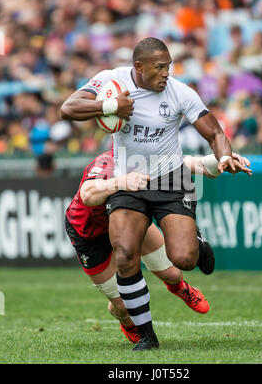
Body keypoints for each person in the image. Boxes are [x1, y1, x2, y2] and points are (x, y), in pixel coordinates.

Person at [60, 37, 243, 351]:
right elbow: (68, 109)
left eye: (169, 66)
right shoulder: (110, 81)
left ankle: (196, 243)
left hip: (171, 179)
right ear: (139, 67)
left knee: (183, 259)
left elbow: (214, 132)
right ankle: (147, 337)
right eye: (160, 68)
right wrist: (110, 106)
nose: (166, 74)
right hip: (129, 180)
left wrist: (224, 156)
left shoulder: (180, 92)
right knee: (126, 254)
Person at [65, 148, 251, 344]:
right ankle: (128, 324)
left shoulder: (143, 156)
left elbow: (185, 163)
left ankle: (180, 287)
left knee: (171, 273)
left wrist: (221, 160)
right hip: (89, 234)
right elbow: (87, 194)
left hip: (127, 220)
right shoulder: (106, 162)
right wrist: (121, 182)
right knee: (122, 304)